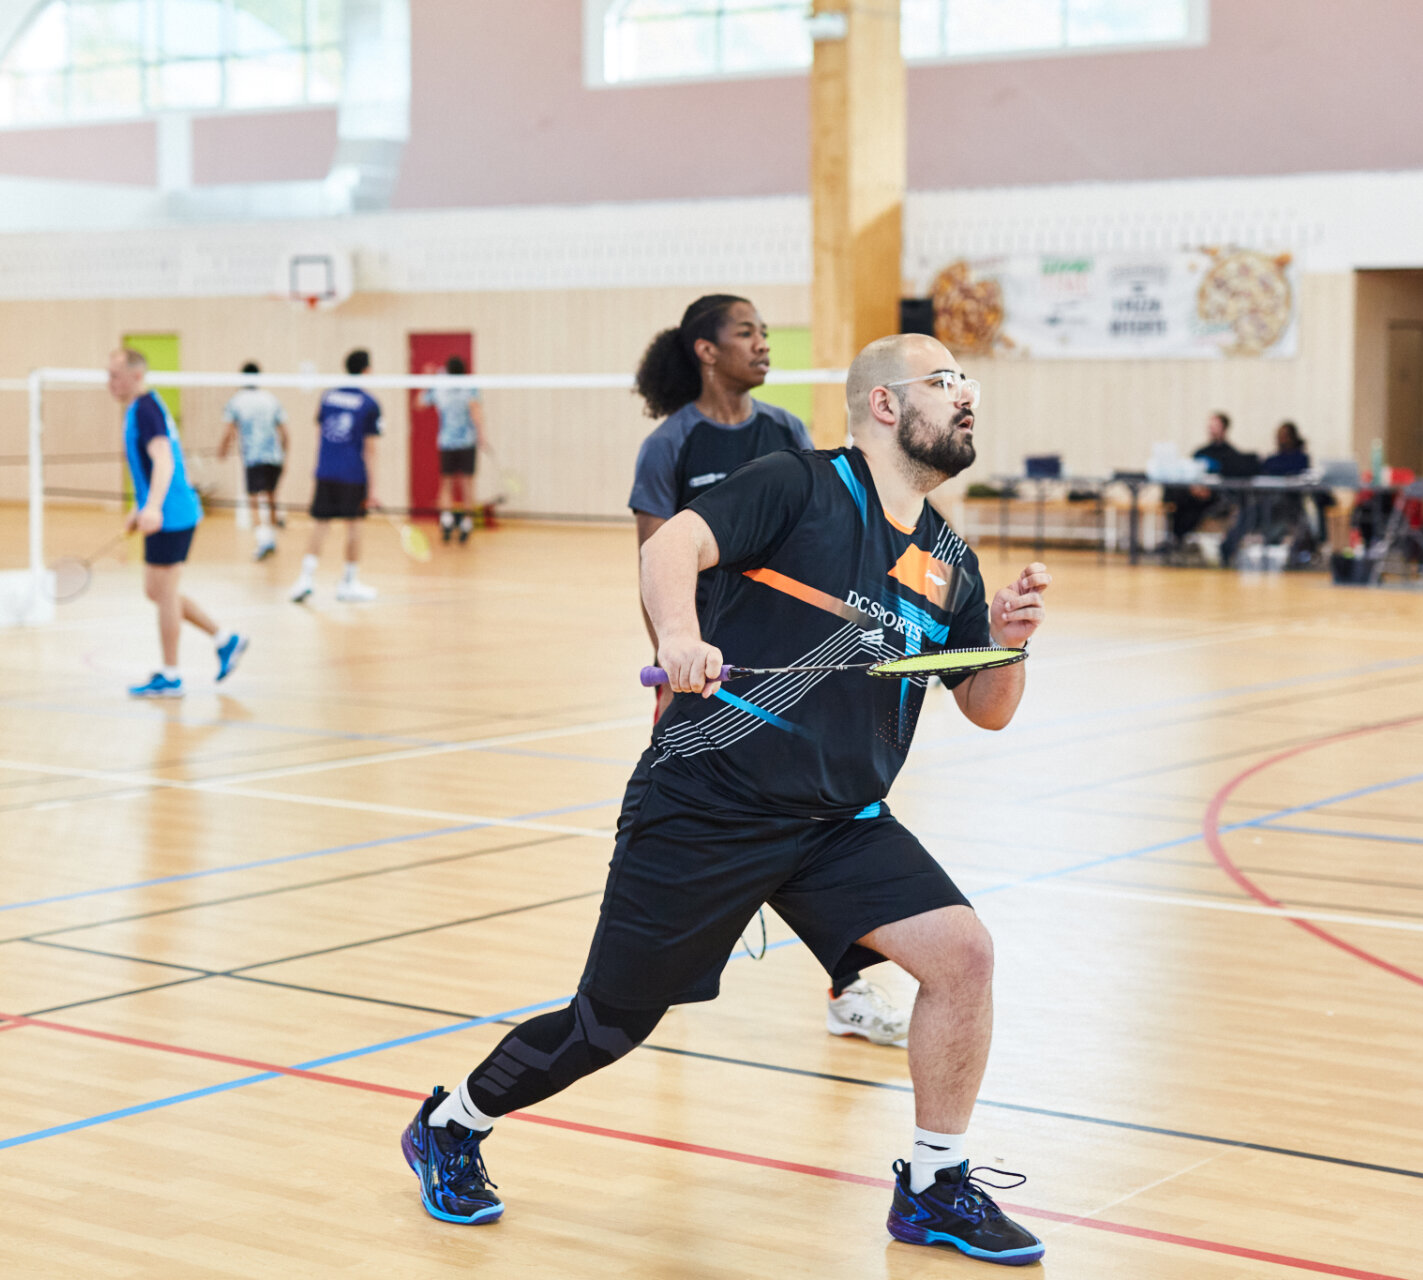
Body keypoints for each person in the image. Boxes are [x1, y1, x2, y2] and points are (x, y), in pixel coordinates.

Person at [401, 333, 1053, 1266]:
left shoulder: (947, 557)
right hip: (708, 803)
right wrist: (678, 632)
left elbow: (987, 708)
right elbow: (675, 542)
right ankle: (452, 1122)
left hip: (838, 824)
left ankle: (932, 1185)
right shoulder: (800, 485)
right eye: (947, 380)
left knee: (963, 956)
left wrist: (1009, 643)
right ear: (884, 404)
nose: (967, 396)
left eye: (969, 382)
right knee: (608, 1027)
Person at [628, 294, 909, 1049]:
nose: (764, 343)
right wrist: (674, 662)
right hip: (706, 679)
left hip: (785, 670)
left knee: (822, 826)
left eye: (764, 332)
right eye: (746, 332)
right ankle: (637, 984)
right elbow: (654, 562)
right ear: (706, 350)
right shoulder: (671, 446)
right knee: (696, 842)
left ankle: (848, 988)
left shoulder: (783, 431)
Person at [109, 348, 247, 697]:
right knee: (156, 591)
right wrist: (140, 507)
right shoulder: (141, 408)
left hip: (172, 515)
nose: (110, 382)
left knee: (165, 593)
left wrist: (153, 508)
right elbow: (149, 467)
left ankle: (171, 676)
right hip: (168, 512)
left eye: (115, 375)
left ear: (136, 376)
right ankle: (225, 640)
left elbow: (164, 460)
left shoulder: (146, 410)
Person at [290, 350, 381, 604]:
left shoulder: (327, 396)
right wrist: (373, 490)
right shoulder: (369, 403)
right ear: (367, 370)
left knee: (320, 525)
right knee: (354, 526)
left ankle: (305, 579)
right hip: (353, 474)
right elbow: (371, 449)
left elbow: (320, 433)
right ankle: (348, 584)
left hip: (326, 471)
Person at [217, 362, 288, 560]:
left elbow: (228, 431)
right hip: (275, 457)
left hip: (253, 459)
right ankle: (271, 540)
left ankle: (263, 541)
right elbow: (285, 433)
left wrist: (222, 450)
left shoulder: (236, 401)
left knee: (254, 499)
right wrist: (284, 457)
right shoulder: (271, 399)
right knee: (272, 497)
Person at [416, 354, 488, 544]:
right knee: (467, 484)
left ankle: (447, 521)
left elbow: (420, 403)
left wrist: (427, 381)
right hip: (467, 443)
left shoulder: (440, 387)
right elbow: (476, 411)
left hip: (447, 443)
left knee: (446, 484)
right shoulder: (470, 386)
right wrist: (482, 435)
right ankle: (466, 524)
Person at [1166, 411, 1257, 546]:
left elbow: (1229, 484)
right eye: (1210, 427)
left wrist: (1209, 491)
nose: (1212, 430)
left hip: (1215, 498)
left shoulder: (1231, 455)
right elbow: (1191, 473)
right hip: (1194, 495)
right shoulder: (1200, 452)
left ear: (1224, 429)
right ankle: (1176, 540)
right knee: (1177, 498)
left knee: (1195, 509)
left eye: (1215, 426)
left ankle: (1180, 540)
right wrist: (1194, 488)